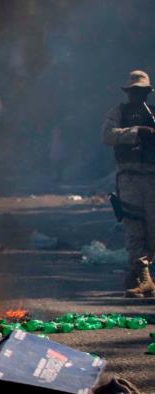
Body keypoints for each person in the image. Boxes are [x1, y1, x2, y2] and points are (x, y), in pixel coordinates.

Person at [102, 70, 155, 297]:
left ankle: (137, 273)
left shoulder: (153, 114)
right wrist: (137, 132)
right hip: (129, 177)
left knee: (152, 229)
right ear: (128, 92)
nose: (138, 96)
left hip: (152, 177)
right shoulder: (119, 112)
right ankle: (143, 277)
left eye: (142, 92)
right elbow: (107, 136)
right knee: (134, 226)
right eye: (135, 91)